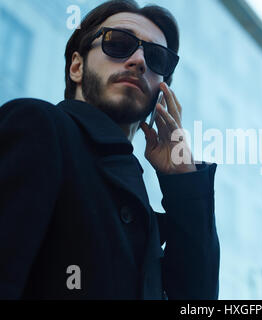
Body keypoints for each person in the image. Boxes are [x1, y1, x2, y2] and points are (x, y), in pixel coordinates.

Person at [0, 0, 219, 300]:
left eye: (156, 58)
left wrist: (184, 182)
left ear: (161, 92)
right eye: (118, 43)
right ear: (77, 67)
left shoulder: (141, 195)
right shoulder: (38, 126)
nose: (140, 60)